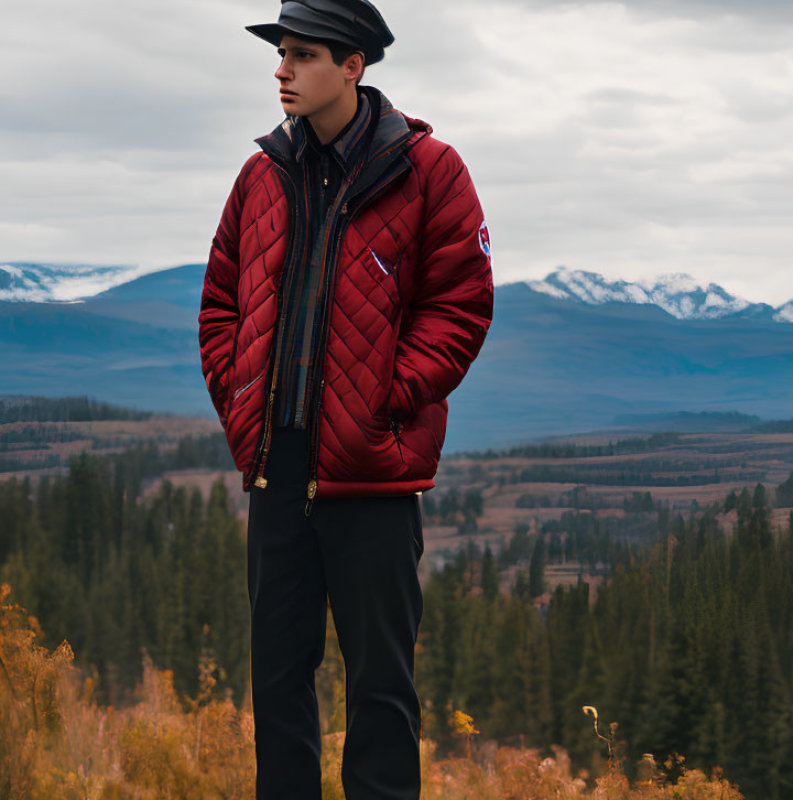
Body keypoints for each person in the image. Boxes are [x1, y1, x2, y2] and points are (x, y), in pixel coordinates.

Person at [197, 0, 494, 797]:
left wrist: (386, 401)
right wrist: (240, 404)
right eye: (281, 52)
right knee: (278, 684)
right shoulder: (261, 174)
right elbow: (220, 302)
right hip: (277, 471)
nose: (282, 69)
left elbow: (460, 306)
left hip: (373, 472)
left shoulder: (430, 171)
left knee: (382, 691)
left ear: (353, 66)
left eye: (302, 54)